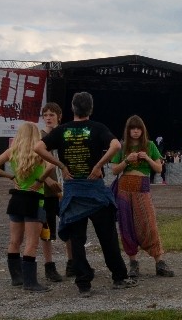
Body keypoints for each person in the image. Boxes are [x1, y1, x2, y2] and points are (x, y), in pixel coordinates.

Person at [35, 91, 135, 296]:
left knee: (77, 240)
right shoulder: (97, 128)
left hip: (73, 193)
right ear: (90, 109)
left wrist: (61, 165)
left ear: (72, 109)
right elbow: (116, 144)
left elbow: (38, 147)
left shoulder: (62, 131)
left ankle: (83, 284)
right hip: (95, 191)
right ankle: (119, 277)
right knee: (107, 238)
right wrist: (99, 165)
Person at [0, 121, 61, 292]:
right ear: (36, 135)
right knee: (32, 242)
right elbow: (52, 164)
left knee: (15, 240)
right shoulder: (39, 152)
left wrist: (11, 177)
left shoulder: (12, 151)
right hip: (35, 199)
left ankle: (16, 277)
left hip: (16, 199)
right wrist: (40, 180)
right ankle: (30, 281)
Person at [110, 115, 174, 278]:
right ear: (128, 130)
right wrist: (126, 161)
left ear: (142, 130)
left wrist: (147, 158)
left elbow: (159, 169)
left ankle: (159, 261)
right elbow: (114, 170)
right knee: (126, 225)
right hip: (124, 188)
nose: (136, 131)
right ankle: (133, 263)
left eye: (138, 128)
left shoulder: (150, 145)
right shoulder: (123, 146)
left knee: (149, 223)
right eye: (133, 128)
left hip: (142, 187)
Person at [39, 102, 70, 282]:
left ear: (59, 116)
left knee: (70, 226)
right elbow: (36, 161)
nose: (49, 118)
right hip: (46, 191)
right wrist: (47, 179)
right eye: (46, 115)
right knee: (46, 230)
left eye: (52, 115)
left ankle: (72, 262)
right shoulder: (39, 138)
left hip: (66, 189)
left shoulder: (64, 136)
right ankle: (49, 266)